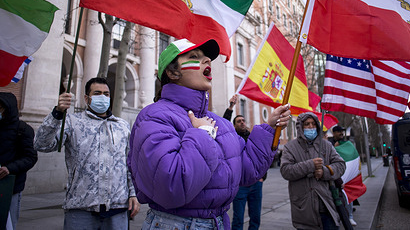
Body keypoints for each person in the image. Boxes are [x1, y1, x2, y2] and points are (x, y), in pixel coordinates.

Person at [127, 38, 291, 230]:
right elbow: (170, 186)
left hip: (219, 223)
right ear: (172, 73)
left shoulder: (221, 123)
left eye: (207, 58)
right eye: (194, 57)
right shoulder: (154, 116)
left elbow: (246, 172)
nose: (206, 61)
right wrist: (203, 134)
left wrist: (269, 129)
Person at [34, 77, 140, 230]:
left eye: (106, 94)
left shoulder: (122, 126)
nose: (102, 97)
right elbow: (42, 145)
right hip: (81, 208)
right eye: (97, 93)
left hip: (117, 209)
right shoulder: (72, 122)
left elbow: (129, 163)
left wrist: (133, 193)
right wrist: (57, 114)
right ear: (87, 98)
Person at [280, 112, 345, 230]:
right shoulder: (290, 147)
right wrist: (311, 165)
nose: (310, 127)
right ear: (300, 127)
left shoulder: (326, 145)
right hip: (304, 210)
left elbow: (340, 165)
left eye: (313, 124)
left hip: (326, 206)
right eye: (307, 124)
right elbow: (286, 171)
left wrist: (325, 171)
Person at [223, 96, 265, 230]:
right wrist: (230, 108)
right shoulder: (232, 136)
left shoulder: (252, 137)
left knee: (255, 217)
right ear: (234, 125)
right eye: (239, 121)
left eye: (243, 120)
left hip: (255, 183)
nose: (242, 122)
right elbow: (223, 122)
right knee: (238, 218)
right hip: (240, 185)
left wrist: (263, 176)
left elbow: (262, 157)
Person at [0, 92, 38, 230]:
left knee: (7, 224)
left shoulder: (23, 129)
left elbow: (30, 157)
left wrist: (9, 168)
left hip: (10, 187)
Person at [329, 126, 357, 227]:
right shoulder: (330, 144)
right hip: (337, 175)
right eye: (339, 131)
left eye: (342, 131)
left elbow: (352, 154)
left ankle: (350, 216)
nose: (341, 133)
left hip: (347, 173)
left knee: (349, 194)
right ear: (334, 133)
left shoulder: (347, 143)